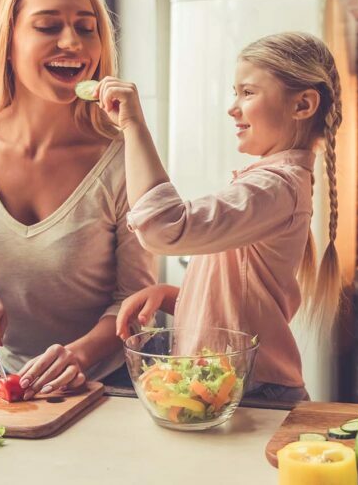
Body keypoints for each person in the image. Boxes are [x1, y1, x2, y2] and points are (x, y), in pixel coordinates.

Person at [0, 0, 157, 399]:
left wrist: (78, 356)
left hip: (114, 385)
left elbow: (137, 299)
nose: (73, 43)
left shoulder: (122, 158)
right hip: (13, 382)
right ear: (7, 41)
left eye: (87, 28)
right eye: (48, 26)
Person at [99, 31, 342, 403]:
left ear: (303, 105)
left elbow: (164, 228)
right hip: (235, 390)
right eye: (236, 92)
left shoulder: (276, 186)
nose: (233, 107)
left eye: (248, 93)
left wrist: (133, 125)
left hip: (255, 395)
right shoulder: (273, 185)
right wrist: (174, 298)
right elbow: (241, 301)